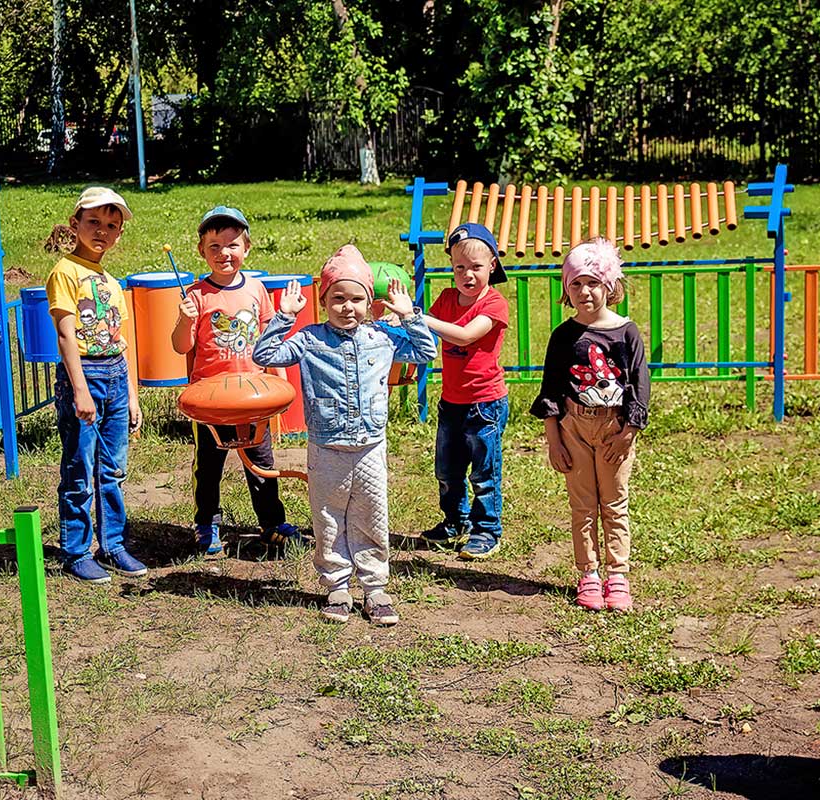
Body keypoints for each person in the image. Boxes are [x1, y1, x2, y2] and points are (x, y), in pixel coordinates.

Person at [253, 245, 437, 626]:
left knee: (372, 515)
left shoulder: (383, 337)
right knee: (328, 517)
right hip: (326, 447)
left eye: (357, 299)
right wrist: (285, 316)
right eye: (338, 298)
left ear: (370, 303)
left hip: (370, 446)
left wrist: (408, 316)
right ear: (323, 301)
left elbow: (426, 351)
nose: (347, 307)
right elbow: (265, 355)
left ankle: (375, 588)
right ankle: (337, 586)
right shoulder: (309, 340)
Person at [171, 205, 303, 555]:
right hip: (211, 401)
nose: (223, 253)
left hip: (253, 397)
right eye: (214, 246)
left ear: (246, 248)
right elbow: (180, 346)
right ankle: (206, 523)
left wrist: (282, 387)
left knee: (262, 463)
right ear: (202, 251)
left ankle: (271, 522)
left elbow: (270, 341)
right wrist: (184, 320)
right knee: (209, 467)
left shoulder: (257, 289)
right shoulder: (196, 294)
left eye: (231, 245)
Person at [530, 237, 649, 612]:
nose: (585, 291)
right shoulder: (563, 336)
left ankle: (618, 576)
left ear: (609, 286)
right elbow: (550, 389)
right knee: (583, 505)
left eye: (593, 282)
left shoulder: (625, 332)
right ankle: (589, 575)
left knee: (614, 503)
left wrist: (628, 431)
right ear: (566, 289)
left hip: (615, 430)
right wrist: (555, 439)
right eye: (576, 283)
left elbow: (639, 385)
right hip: (574, 429)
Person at [46, 186, 146, 584]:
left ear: (119, 234)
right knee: (78, 466)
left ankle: (113, 543)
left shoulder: (110, 280)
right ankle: (75, 550)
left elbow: (123, 339)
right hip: (84, 376)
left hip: (116, 377)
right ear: (75, 225)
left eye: (111, 225)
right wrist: (80, 390)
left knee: (113, 468)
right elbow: (67, 336)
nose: (102, 231)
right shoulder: (65, 272)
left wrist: (133, 395)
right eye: (94, 222)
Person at [419, 222, 511, 559]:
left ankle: (487, 530)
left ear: (492, 265)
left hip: (485, 404)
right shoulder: (445, 299)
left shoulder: (494, 304)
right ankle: (456, 523)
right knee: (447, 470)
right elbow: (424, 337)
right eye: (459, 267)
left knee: (484, 473)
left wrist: (419, 319)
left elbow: (466, 335)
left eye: (475, 267)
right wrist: (396, 323)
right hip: (452, 403)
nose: (467, 274)